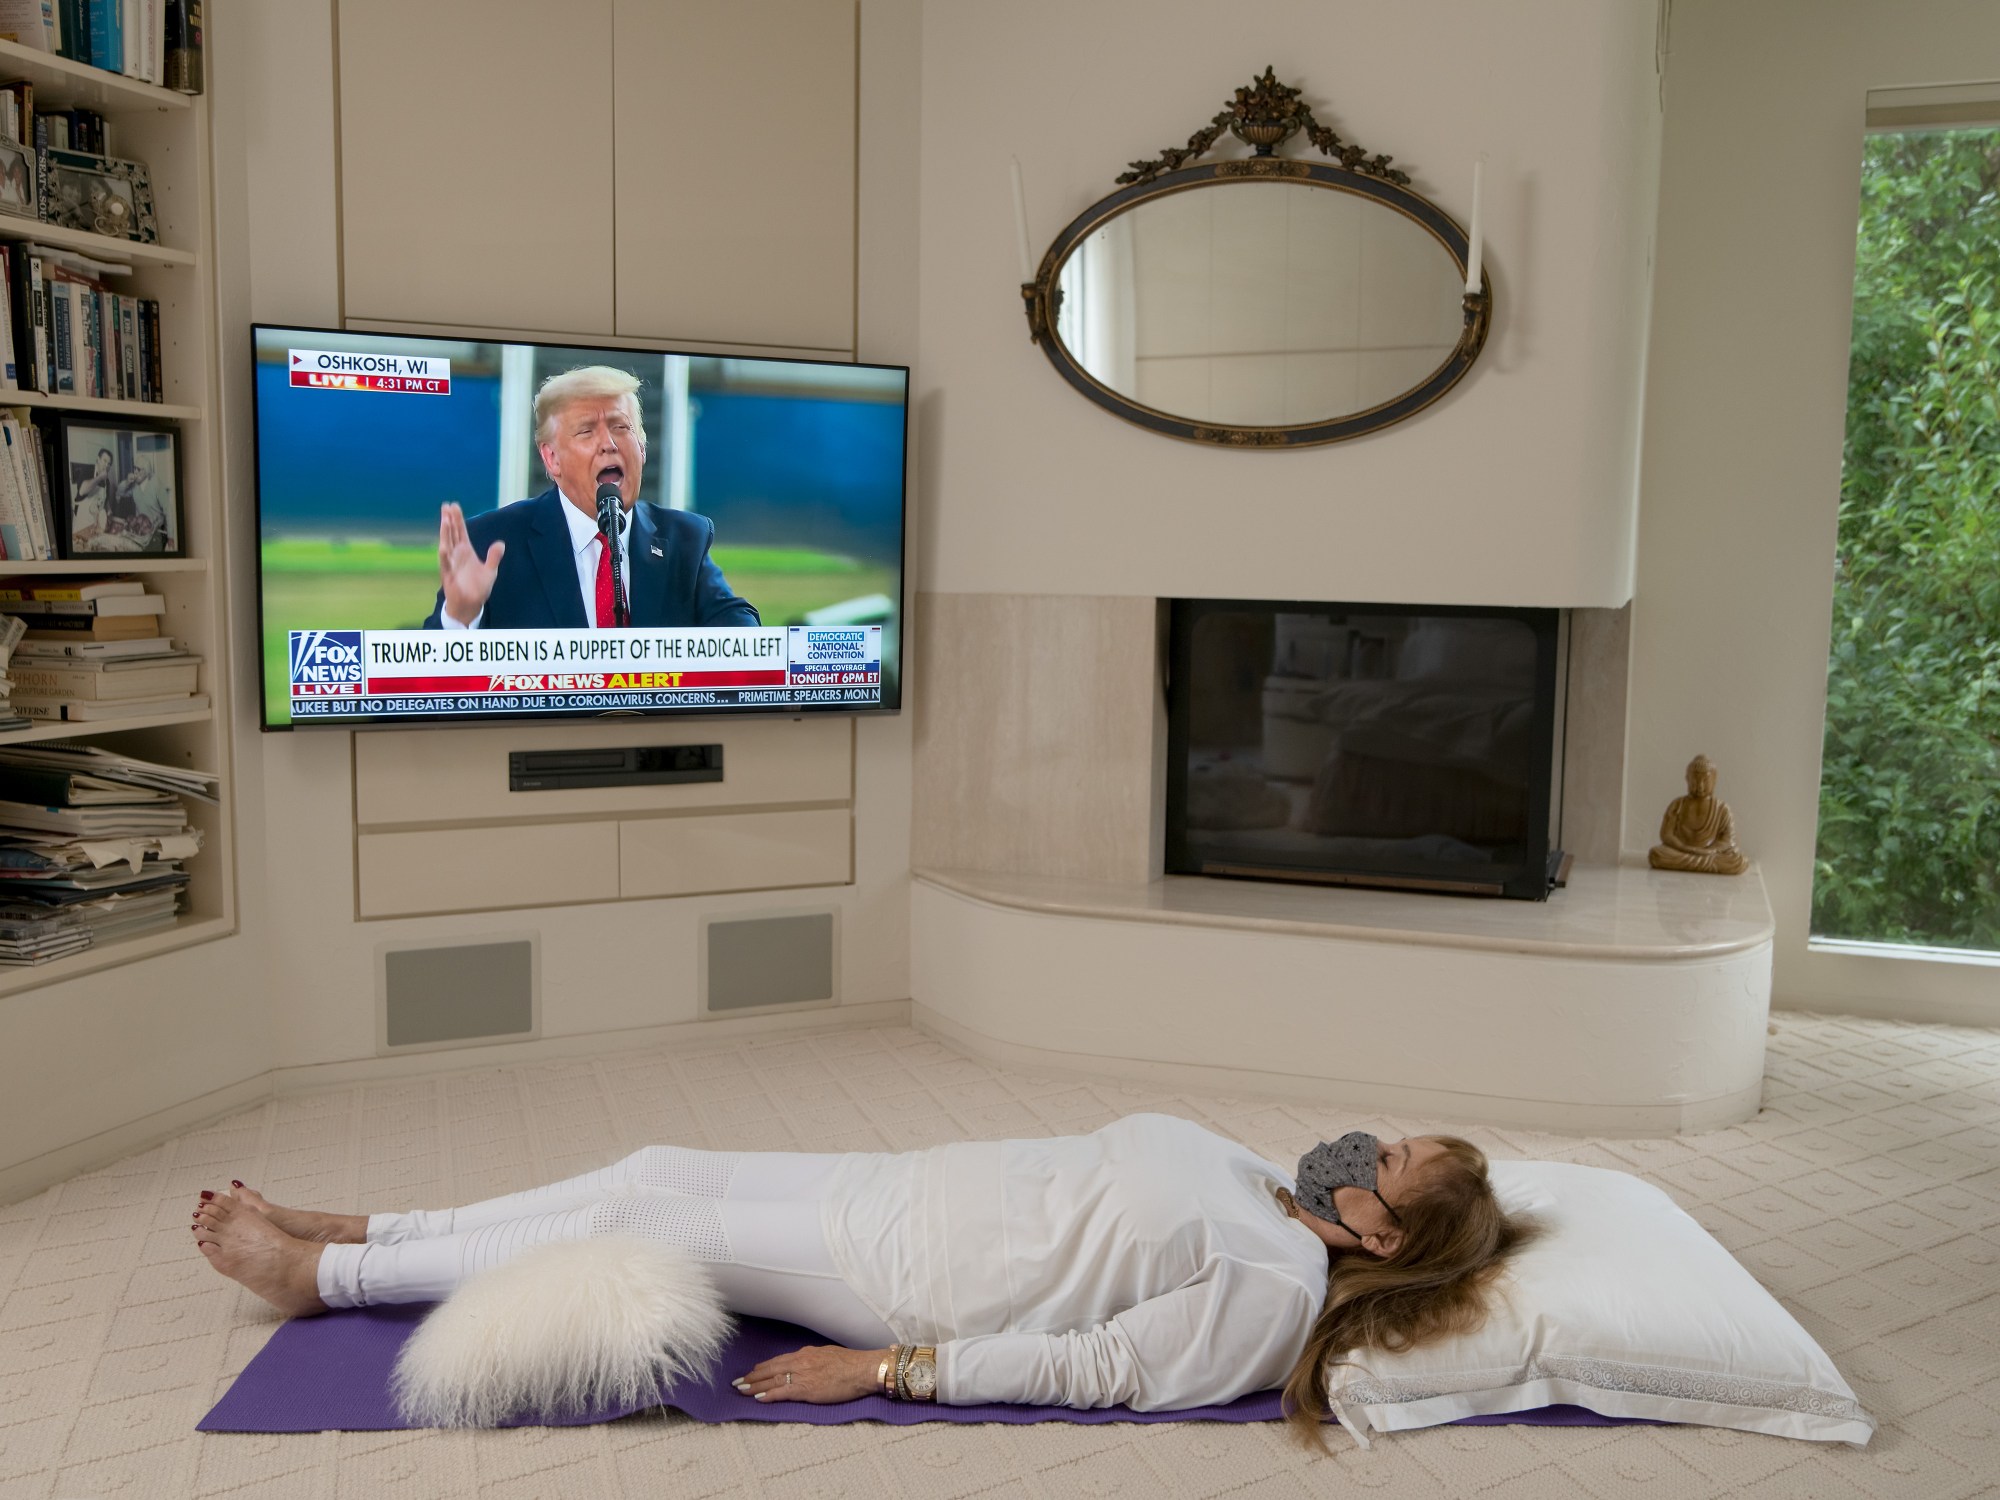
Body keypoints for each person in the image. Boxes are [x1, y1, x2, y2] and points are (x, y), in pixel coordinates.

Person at [190, 1115, 1535, 1437]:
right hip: (876, 1181)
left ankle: (337, 1279)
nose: (1364, 1141)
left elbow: (1109, 1372)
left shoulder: (1274, 1289)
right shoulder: (1257, 1178)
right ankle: (385, 1220)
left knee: (650, 1209)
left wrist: (892, 1372)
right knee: (654, 1156)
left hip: (888, 1269)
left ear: (1380, 1239)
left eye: (1390, 1160)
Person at [423, 365, 759, 630]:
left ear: (642, 448)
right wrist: (461, 616)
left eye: (621, 427)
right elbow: (425, 682)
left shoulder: (684, 539)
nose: (608, 444)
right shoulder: (493, 542)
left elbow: (739, 628)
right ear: (552, 458)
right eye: (586, 431)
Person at [1649, 753, 1749, 874]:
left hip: (1709, 854)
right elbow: (1666, 835)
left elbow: (1728, 839)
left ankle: (1693, 864)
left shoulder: (1722, 808)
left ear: (1714, 780)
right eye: (1695, 781)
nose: (1700, 786)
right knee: (1657, 854)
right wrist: (1685, 848)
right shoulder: (1678, 804)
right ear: (1687, 779)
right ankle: (1702, 864)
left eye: (1705, 781)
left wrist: (1709, 851)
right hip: (1683, 851)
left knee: (1737, 860)